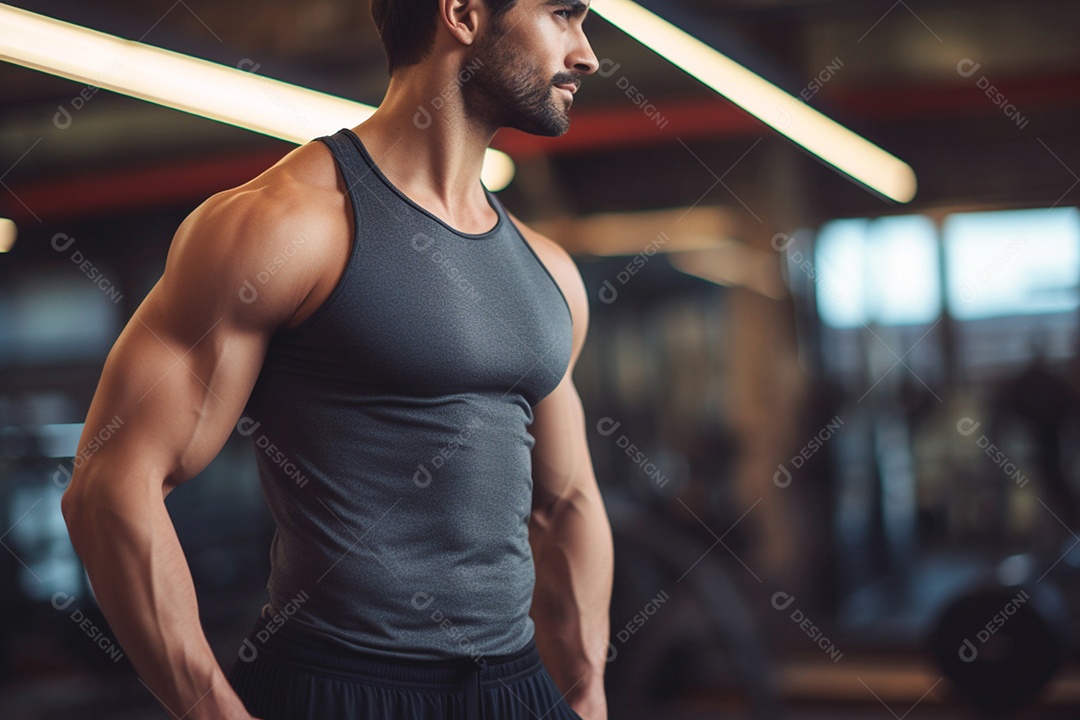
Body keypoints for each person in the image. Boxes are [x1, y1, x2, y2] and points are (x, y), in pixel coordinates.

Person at [60, 0, 614, 718]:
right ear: (463, 14)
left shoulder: (548, 273)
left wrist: (587, 694)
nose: (586, 54)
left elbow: (567, 502)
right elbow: (109, 485)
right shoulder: (282, 225)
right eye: (564, 14)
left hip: (515, 688)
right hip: (340, 687)